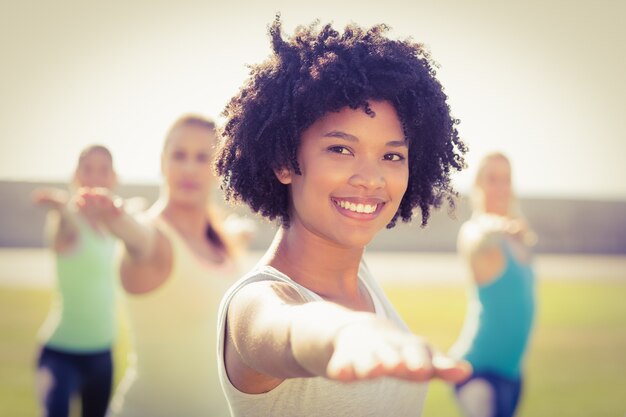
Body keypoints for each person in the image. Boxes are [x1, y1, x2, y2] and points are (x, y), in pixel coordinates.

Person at [214, 16, 471, 417]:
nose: (371, 179)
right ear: (285, 160)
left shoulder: (357, 273)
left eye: (391, 156)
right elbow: (292, 331)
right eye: (340, 149)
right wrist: (346, 332)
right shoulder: (256, 302)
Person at [76, 115, 250, 417]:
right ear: (162, 162)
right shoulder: (151, 238)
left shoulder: (222, 242)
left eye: (202, 157)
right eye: (179, 155)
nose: (188, 168)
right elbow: (138, 237)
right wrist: (117, 218)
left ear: (218, 167)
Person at [449, 152, 537, 417]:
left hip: (512, 373)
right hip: (477, 371)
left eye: (506, 179)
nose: (500, 187)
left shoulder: (519, 237)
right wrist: (495, 223)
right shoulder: (476, 233)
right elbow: (475, 233)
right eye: (492, 179)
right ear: (478, 186)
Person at [33, 145, 119, 417]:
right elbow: (64, 230)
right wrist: (61, 206)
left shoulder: (115, 225)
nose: (95, 176)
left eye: (103, 170)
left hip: (103, 352)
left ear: (112, 178)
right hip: (60, 353)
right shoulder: (64, 221)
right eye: (88, 169)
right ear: (77, 176)